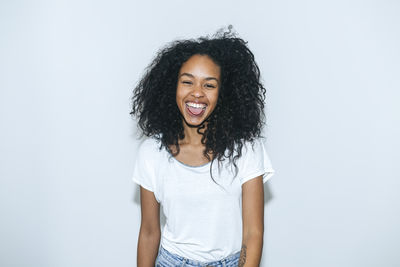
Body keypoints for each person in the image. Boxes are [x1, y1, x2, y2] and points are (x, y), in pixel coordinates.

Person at [130, 26, 275, 267]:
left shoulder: (246, 149)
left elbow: (253, 234)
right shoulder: (151, 152)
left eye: (209, 85)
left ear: (224, 93)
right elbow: (148, 232)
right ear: (171, 87)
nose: (197, 93)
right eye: (187, 82)